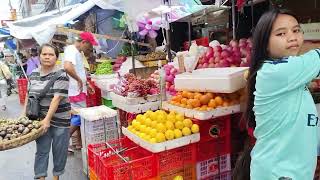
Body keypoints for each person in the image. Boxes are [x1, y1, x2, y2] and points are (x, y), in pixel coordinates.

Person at [235, 9, 320, 180]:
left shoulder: (286, 69)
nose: (292, 37)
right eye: (281, 33)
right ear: (264, 43)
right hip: (278, 174)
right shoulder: (276, 72)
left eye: (296, 30)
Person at [24, 44, 71, 180]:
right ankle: (40, 177)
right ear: (39, 56)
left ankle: (56, 176)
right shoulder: (33, 74)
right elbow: (29, 95)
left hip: (60, 119)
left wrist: (48, 119)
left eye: (51, 54)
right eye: (44, 54)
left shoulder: (62, 74)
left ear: (56, 57)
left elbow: (56, 99)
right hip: (39, 119)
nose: (47, 57)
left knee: (59, 150)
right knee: (42, 151)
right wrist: (24, 115)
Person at [63, 31, 97, 151]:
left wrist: (86, 83)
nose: (89, 48)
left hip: (78, 90)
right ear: (83, 42)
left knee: (77, 117)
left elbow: (78, 70)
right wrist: (79, 80)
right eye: (89, 45)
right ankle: (63, 141)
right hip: (75, 90)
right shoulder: (72, 50)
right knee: (78, 117)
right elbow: (67, 67)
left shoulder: (76, 51)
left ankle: (78, 143)